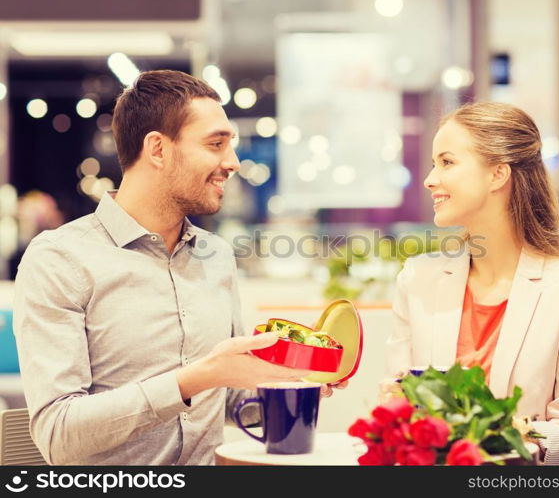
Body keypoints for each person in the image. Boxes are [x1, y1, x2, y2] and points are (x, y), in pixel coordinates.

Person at [12, 70, 341, 465]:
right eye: (216, 144)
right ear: (157, 150)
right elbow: (59, 435)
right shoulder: (60, 259)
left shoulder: (215, 256)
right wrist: (197, 377)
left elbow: (232, 398)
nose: (233, 162)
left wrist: (295, 385)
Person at [384, 102, 559, 465]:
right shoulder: (418, 279)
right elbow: (399, 408)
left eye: (447, 162)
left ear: (497, 174)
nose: (429, 179)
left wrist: (512, 433)